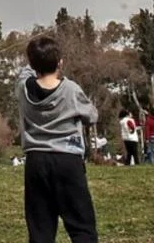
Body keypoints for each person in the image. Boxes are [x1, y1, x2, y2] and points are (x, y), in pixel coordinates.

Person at [18, 35, 98, 243]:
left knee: (40, 230)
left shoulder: (23, 88)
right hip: (68, 160)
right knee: (81, 227)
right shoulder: (71, 89)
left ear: (32, 63)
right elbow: (92, 116)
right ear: (60, 62)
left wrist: (35, 58)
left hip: (36, 162)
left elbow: (25, 74)